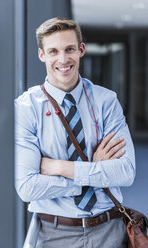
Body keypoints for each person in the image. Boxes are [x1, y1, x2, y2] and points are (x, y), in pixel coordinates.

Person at [15, 17, 135, 248]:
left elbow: (126, 172)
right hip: (53, 234)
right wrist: (93, 170)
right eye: (53, 51)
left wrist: (60, 168)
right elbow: (27, 187)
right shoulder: (26, 108)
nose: (63, 59)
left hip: (109, 229)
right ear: (42, 55)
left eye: (69, 49)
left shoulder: (106, 101)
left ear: (81, 50)